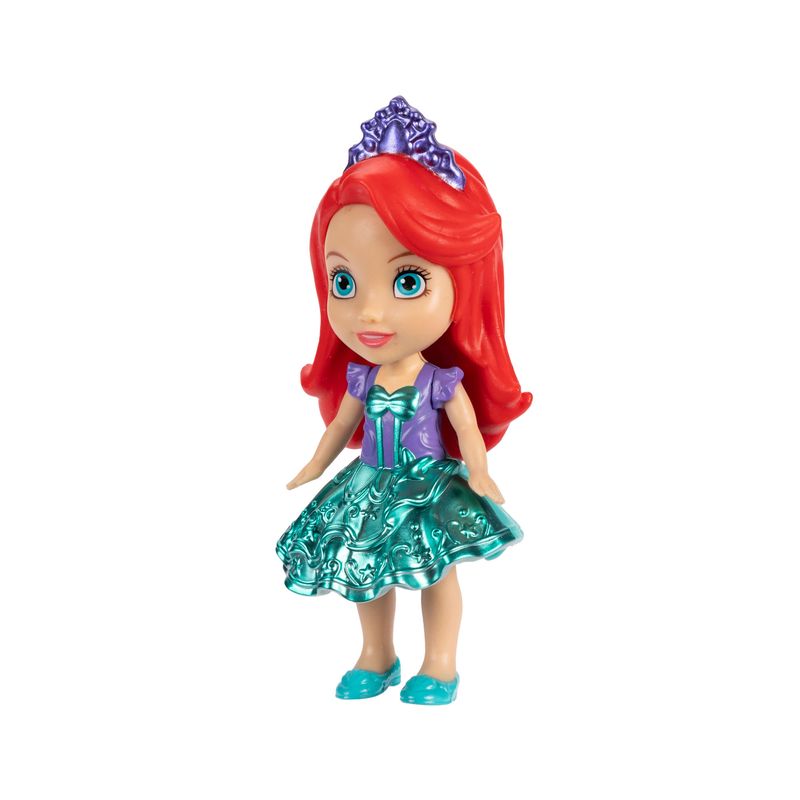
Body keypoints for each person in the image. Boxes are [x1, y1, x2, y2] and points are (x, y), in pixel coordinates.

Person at [276, 96, 532, 705]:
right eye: (344, 281)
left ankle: (440, 663)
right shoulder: (362, 379)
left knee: (435, 573)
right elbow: (339, 428)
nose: (370, 312)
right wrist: (315, 464)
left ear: (462, 286)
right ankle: (377, 654)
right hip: (370, 482)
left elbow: (465, 431)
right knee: (363, 569)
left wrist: (480, 472)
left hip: (428, 485)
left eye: (408, 281)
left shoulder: (439, 381)